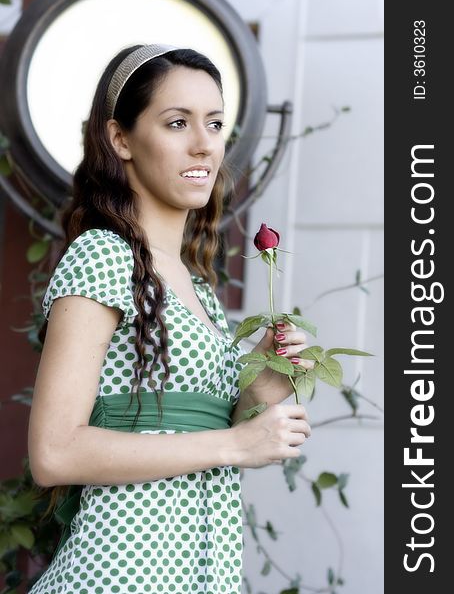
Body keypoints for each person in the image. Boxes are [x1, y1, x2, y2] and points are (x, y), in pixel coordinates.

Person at [27, 43, 312, 594]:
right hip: (123, 574)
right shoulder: (103, 256)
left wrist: (262, 384)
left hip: (200, 570)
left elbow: (200, 426)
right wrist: (236, 446)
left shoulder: (196, 288)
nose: (205, 144)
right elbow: (54, 452)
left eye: (214, 123)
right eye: (177, 122)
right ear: (120, 139)